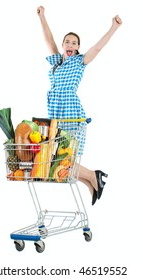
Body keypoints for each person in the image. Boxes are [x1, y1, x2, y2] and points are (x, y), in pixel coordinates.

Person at [37, 6, 122, 205]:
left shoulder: (79, 61)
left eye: (74, 43)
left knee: (61, 160)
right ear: (63, 44)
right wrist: (42, 17)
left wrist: (113, 28)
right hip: (56, 116)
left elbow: (97, 48)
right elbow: (49, 40)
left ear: (77, 48)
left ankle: (94, 175)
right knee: (60, 159)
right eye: (67, 41)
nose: (70, 44)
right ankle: (91, 182)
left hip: (71, 115)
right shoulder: (57, 62)